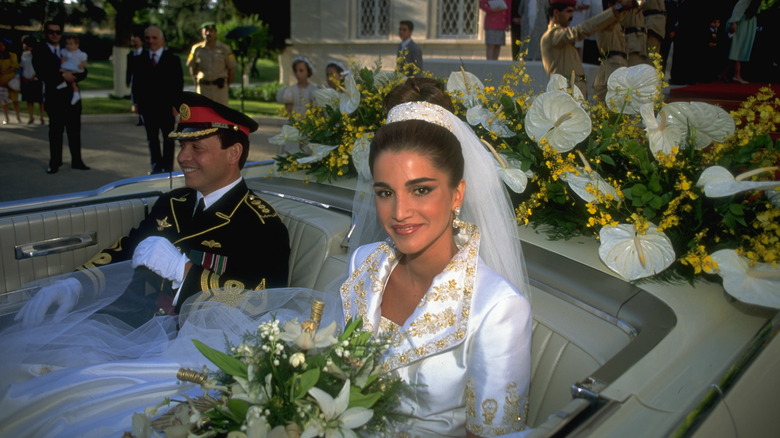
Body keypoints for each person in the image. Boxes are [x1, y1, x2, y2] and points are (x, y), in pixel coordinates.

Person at [342, 78, 532, 436]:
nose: (399, 212)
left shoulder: (497, 308)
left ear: (457, 193)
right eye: (385, 192)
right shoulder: (363, 263)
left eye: (421, 190)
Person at [15, 92, 291, 328]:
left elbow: (258, 303)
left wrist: (184, 272)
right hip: (137, 321)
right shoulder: (173, 202)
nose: (182, 157)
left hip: (198, 345)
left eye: (197, 147)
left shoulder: (261, 225)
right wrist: (76, 284)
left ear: (233, 154)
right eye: (183, 146)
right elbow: (128, 248)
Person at [541, 0, 635, 97]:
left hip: (574, 91)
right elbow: (581, 30)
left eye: (572, 11)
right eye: (568, 11)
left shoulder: (562, 39)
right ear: (556, 13)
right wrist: (617, 8)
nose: (572, 16)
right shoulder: (551, 35)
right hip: (566, 92)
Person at [33, 21, 89, 173]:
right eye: (51, 32)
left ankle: (77, 161)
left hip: (72, 97)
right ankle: (55, 162)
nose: (54, 35)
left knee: (74, 131)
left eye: (58, 32)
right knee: (56, 132)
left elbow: (83, 69)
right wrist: (63, 76)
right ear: (46, 33)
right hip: (54, 97)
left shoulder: (67, 49)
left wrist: (75, 77)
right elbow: (42, 72)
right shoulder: (40, 50)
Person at [132, 25, 183, 174]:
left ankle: (168, 169)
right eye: (147, 38)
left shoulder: (173, 59)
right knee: (151, 139)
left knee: (168, 139)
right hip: (147, 107)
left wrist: (176, 105)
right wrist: (135, 102)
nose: (151, 41)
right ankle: (156, 168)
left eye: (154, 38)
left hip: (167, 107)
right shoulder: (139, 59)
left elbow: (177, 84)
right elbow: (136, 83)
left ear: (162, 40)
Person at [187, 22, 236, 105]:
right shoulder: (196, 49)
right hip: (203, 89)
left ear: (215, 33)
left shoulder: (225, 49)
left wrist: (226, 84)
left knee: (220, 115)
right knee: (203, 115)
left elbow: (231, 69)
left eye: (211, 31)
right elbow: (192, 67)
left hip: (220, 90)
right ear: (202, 32)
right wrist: (197, 80)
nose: (208, 33)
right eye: (206, 31)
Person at [593, 0, 628, 101]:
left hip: (621, 64)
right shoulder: (604, 20)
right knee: (604, 106)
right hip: (611, 65)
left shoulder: (618, 23)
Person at [726, 0, 762, 84]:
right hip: (741, 24)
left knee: (741, 48)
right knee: (738, 48)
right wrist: (733, 22)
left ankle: (724, 73)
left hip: (749, 23)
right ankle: (736, 75)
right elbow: (738, 9)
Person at [20, 35, 45, 125]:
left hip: (36, 79)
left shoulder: (37, 53)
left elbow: (40, 67)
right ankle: (31, 117)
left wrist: (34, 76)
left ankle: (42, 117)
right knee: (29, 100)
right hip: (26, 79)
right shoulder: (24, 54)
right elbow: (22, 66)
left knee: (40, 100)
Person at [59, 34, 88, 105]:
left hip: (75, 68)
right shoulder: (64, 51)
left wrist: (82, 65)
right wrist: (63, 60)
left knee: (73, 82)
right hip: (67, 67)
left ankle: (75, 94)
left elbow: (84, 62)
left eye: (71, 44)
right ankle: (64, 84)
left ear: (77, 45)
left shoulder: (80, 54)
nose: (68, 46)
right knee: (63, 72)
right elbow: (62, 60)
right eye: (67, 44)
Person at [0, 37, 21, 125]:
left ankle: (18, 117)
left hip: (12, 81)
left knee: (15, 100)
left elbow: (14, 66)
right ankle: (7, 118)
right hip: (1, 82)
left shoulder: (12, 55)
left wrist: (4, 72)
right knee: (3, 101)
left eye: (2, 45)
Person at [125, 32, 144, 126]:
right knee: (136, 99)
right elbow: (129, 69)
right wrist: (128, 81)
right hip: (135, 81)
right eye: (133, 41)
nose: (135, 43)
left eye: (137, 41)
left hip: (144, 80)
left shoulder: (146, 53)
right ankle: (140, 118)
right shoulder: (131, 55)